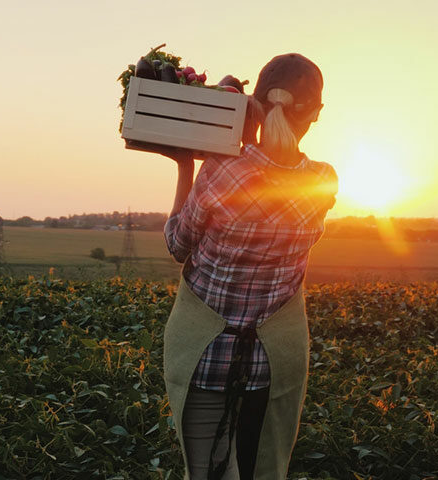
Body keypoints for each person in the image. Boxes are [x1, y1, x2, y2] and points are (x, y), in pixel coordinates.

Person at [160, 53, 338, 480]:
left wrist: (187, 165)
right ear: (313, 115)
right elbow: (307, 238)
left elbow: (177, 243)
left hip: (206, 357)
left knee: (205, 473)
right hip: (272, 365)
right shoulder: (324, 181)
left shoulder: (221, 172)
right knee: (263, 471)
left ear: (253, 105)